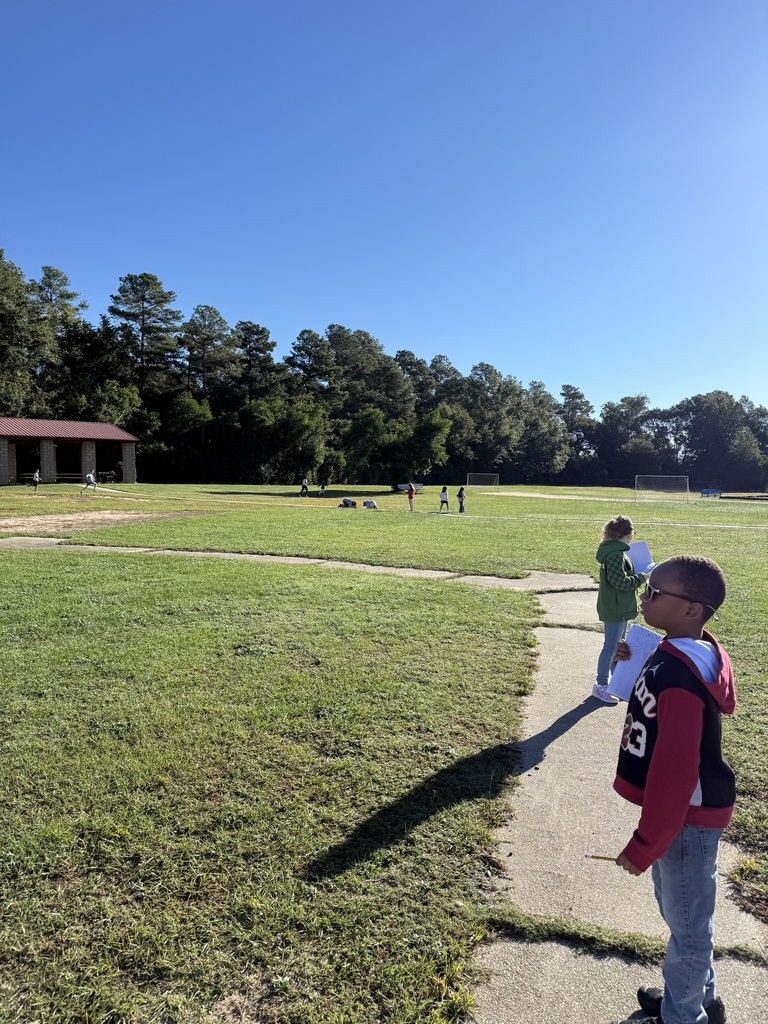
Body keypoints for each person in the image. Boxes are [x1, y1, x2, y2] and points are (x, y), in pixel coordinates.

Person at [609, 556, 733, 1024]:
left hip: (686, 817)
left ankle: (682, 1017)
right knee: (683, 915)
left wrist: (645, 844)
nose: (643, 597)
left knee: (688, 929)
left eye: (654, 592)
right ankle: (698, 999)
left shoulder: (682, 678)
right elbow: (650, 704)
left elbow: (675, 775)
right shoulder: (679, 651)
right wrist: (635, 666)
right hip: (681, 818)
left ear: (691, 609)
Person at [592, 515, 647, 705]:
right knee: (611, 646)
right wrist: (642, 577)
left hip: (618, 606)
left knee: (618, 646)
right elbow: (620, 582)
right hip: (615, 607)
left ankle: (616, 682)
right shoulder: (615, 554)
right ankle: (601, 685)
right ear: (629, 534)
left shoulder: (616, 551)